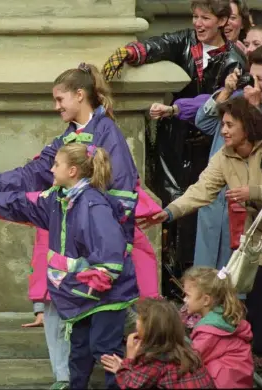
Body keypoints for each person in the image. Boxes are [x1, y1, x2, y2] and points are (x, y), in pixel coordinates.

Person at [0, 143, 139, 389]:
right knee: (79, 351)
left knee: (104, 349)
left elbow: (109, 247)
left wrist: (102, 274)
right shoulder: (58, 198)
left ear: (73, 171)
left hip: (107, 294)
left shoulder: (93, 204)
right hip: (83, 293)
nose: (51, 168)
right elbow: (22, 204)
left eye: (56, 164)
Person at [103, 0, 247, 285]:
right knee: (168, 200)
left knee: (199, 213)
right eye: (195, 17)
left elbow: (218, 106)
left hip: (211, 143)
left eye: (205, 18)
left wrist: (179, 109)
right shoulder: (185, 40)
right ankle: (170, 280)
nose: (198, 23)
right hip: (174, 141)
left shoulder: (234, 60)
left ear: (222, 21)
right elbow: (159, 44)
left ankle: (195, 283)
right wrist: (130, 52)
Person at [140, 95, 262, 369]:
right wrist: (168, 212)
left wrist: (253, 192)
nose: (224, 130)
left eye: (230, 124)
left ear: (247, 126)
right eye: (223, 124)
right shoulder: (224, 156)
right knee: (253, 303)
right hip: (255, 244)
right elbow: (201, 189)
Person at [100, 298, 215, 389]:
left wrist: (128, 361)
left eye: (139, 319)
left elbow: (130, 385)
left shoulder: (156, 361)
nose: (136, 321)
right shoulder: (187, 350)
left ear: (148, 329)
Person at [182, 266, 254, 388]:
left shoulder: (210, 331)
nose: (184, 299)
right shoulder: (223, 317)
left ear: (206, 300)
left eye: (188, 295)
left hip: (222, 384)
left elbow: (189, 361)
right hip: (239, 381)